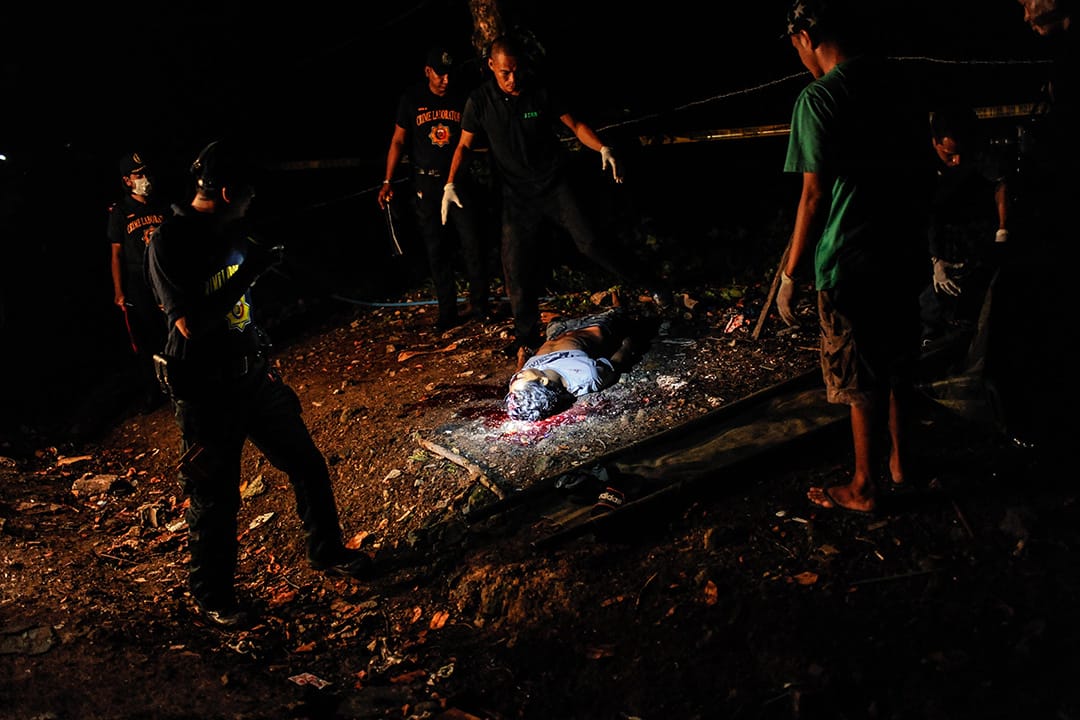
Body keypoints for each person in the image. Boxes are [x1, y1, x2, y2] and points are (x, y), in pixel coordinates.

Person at [146, 139, 373, 630]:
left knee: (307, 463)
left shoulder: (233, 230)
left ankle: (327, 551)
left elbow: (252, 292)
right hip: (205, 393)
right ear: (229, 192)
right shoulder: (169, 242)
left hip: (253, 378)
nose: (254, 202)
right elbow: (190, 324)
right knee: (216, 497)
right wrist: (249, 270)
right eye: (249, 194)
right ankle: (213, 596)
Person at [775, 0, 929, 515]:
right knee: (899, 360)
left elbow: (814, 195)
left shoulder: (819, 98)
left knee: (860, 373)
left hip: (850, 257)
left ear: (805, 36)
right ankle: (902, 463)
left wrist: (791, 273)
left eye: (795, 46)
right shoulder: (897, 81)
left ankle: (864, 486)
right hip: (902, 246)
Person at [441, 34, 656, 363]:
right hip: (516, 196)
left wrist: (603, 148)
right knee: (515, 265)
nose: (512, 79)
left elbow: (576, 124)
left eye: (516, 70)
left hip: (555, 184)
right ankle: (526, 337)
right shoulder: (480, 100)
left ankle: (653, 284)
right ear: (491, 66)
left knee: (591, 243)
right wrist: (450, 183)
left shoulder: (540, 90)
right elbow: (464, 145)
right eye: (505, 73)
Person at [377, 45, 493, 331]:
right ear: (428, 71)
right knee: (436, 247)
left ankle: (480, 305)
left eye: (449, 74)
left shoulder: (462, 97)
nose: (445, 80)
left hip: (458, 181)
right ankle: (447, 312)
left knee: (472, 243)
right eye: (440, 74)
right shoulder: (412, 98)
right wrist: (388, 180)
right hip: (426, 183)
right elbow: (398, 140)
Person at [919, 105, 1010, 349]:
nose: (957, 160)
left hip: (972, 245)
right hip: (935, 248)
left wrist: (1002, 232)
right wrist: (934, 260)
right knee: (932, 312)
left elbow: (1000, 184)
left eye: (962, 153)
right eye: (949, 154)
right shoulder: (921, 168)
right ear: (935, 142)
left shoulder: (979, 156)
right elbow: (925, 217)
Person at [107, 151, 171, 413]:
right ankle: (153, 392)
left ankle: (183, 381)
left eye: (146, 173)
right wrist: (119, 290)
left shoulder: (160, 206)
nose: (145, 178)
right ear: (127, 180)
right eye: (138, 174)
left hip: (163, 275)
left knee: (173, 330)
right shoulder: (121, 212)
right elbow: (116, 254)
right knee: (146, 340)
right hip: (138, 280)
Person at [504, 307, 636, 421]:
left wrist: (521, 357)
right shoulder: (585, 376)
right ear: (543, 381)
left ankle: (558, 318)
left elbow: (519, 375)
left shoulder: (525, 384)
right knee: (619, 311)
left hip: (556, 332)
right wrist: (630, 341)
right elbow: (617, 361)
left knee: (552, 321)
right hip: (594, 325)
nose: (516, 376)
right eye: (519, 378)